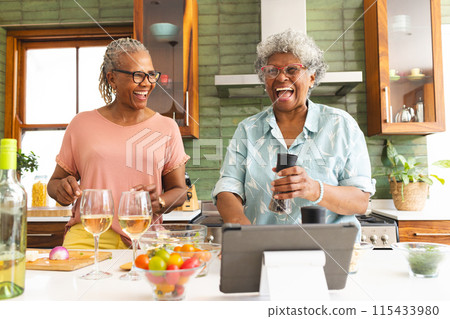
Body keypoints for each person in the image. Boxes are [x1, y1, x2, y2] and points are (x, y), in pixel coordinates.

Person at [212, 29, 375, 231]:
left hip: (330, 253)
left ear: (312, 77)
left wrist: (314, 189)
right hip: (262, 250)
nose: (281, 77)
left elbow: (360, 202)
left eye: (292, 69)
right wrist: (237, 222)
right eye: (272, 70)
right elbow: (228, 187)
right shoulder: (248, 129)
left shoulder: (341, 125)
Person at [48, 38, 189, 249]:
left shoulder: (166, 127)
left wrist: (158, 202)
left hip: (143, 236)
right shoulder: (81, 124)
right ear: (112, 79)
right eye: (137, 75)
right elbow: (54, 183)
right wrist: (62, 188)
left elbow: (180, 190)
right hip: (89, 234)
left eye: (151, 75)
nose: (147, 83)